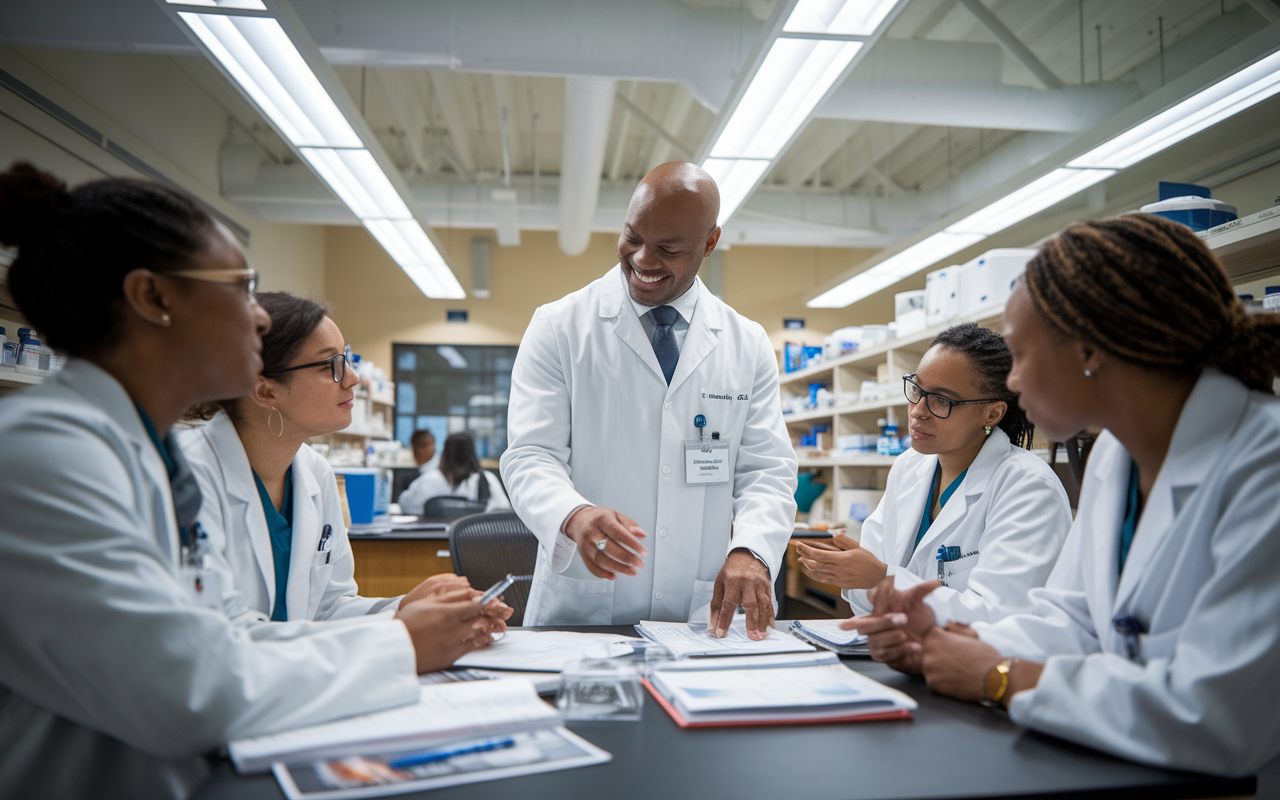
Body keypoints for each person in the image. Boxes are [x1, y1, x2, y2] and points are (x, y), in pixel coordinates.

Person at [0, 163, 508, 798]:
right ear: (153, 298)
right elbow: (187, 690)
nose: (259, 318)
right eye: (241, 288)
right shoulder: (46, 456)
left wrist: (401, 616)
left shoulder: (143, 454)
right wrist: (400, 644)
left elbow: (228, 633)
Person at [848, 212, 1280, 777]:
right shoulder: (1114, 458)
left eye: (1021, 356)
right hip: (1126, 765)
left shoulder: (1262, 464)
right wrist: (941, 640)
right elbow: (1073, 622)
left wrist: (1001, 676)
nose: (1016, 383)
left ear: (1090, 351)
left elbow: (1221, 717)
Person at [500, 161, 797, 637]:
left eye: (668, 248)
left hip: (697, 612)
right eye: (632, 237)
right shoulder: (559, 327)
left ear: (709, 243)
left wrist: (752, 550)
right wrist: (573, 514)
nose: (642, 259)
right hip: (585, 612)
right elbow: (530, 456)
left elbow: (767, 471)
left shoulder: (747, 342)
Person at [178, 292, 477, 626]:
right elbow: (222, 634)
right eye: (329, 365)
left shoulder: (314, 471)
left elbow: (330, 608)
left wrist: (405, 608)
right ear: (265, 391)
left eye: (346, 359)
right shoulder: (189, 473)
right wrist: (401, 634)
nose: (352, 378)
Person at [796, 322, 1072, 644]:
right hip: (903, 656)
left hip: (979, 676)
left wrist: (882, 578)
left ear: (991, 414)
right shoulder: (909, 467)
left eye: (942, 400)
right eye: (917, 389)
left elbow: (1001, 619)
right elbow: (863, 601)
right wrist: (858, 575)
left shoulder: (1028, 488)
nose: (917, 411)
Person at [398, 431, 511, 515]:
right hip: (476, 542)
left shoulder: (428, 480)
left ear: (444, 454)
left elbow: (404, 504)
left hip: (433, 542)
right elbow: (504, 511)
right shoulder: (486, 479)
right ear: (472, 453)